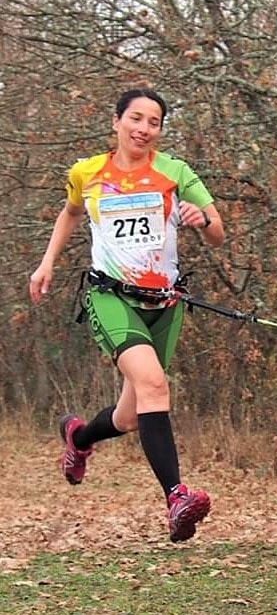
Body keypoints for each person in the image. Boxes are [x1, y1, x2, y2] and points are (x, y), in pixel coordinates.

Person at [29, 87, 225, 542]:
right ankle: (177, 498)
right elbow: (70, 213)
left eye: (154, 122)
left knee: (131, 416)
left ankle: (79, 439)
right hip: (111, 298)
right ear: (116, 121)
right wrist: (47, 263)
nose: (144, 128)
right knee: (154, 384)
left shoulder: (175, 172)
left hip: (164, 305)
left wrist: (201, 221)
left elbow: (217, 231)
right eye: (136, 118)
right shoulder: (87, 173)